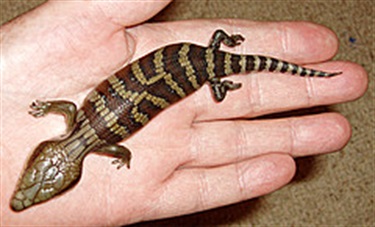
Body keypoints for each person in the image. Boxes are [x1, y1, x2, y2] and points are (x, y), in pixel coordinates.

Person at [1, 1, 367, 225]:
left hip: (194, 65)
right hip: (190, 59)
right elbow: (73, 114)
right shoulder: (75, 121)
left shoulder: (104, 145)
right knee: (241, 67)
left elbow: (122, 150)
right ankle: (261, 69)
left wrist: (123, 158)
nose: (26, 191)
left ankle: (290, 70)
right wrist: (47, 106)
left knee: (250, 66)